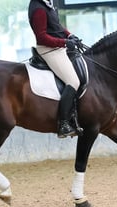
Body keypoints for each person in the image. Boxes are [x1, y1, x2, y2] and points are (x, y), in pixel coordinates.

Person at [28, 0, 82, 138]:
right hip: (49, 50)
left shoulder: (48, 4)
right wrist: (64, 42)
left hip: (58, 47)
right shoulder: (38, 8)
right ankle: (63, 124)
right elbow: (41, 37)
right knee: (73, 82)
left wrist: (69, 35)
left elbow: (56, 26)